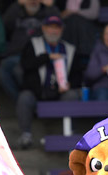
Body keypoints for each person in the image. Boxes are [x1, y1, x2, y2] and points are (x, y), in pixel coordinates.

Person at [16, 15, 82, 149]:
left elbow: (77, 74)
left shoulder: (69, 49)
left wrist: (69, 85)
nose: (53, 31)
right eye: (50, 27)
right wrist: (47, 57)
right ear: (43, 28)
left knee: (73, 95)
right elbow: (26, 65)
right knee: (24, 97)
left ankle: (69, 132)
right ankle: (26, 135)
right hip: (37, 92)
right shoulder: (33, 44)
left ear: (61, 30)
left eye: (56, 28)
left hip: (60, 93)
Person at [0, 0, 60, 100]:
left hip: (37, 54)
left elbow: (58, 24)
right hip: (16, 54)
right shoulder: (17, 12)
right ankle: (19, 100)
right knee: (2, 70)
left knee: (20, 69)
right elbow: (3, 24)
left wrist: (50, 6)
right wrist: (17, 4)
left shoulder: (45, 14)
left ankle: (28, 99)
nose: (32, 1)